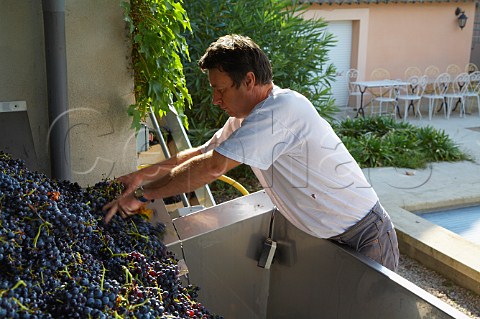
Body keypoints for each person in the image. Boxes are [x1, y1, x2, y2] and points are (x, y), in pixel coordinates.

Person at [103, 34, 399, 272]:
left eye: (221, 90)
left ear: (248, 80)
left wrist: (145, 196)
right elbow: (202, 154)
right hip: (327, 235)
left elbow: (212, 167)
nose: (216, 100)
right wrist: (139, 176)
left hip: (365, 236)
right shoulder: (244, 119)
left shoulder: (281, 111)